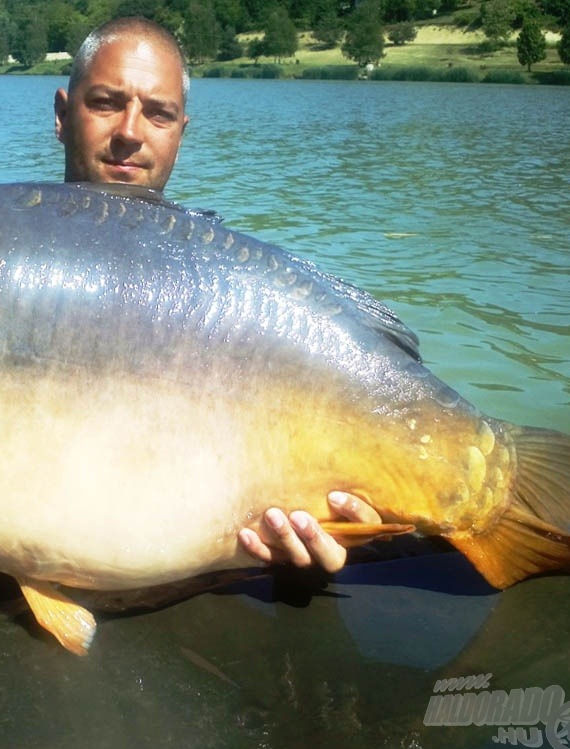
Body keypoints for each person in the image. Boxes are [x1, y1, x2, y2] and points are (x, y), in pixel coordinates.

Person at [53, 16, 382, 572]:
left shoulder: (241, 289)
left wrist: (332, 522)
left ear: (181, 130)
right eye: (107, 102)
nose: (131, 130)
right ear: (62, 115)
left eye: (158, 113)